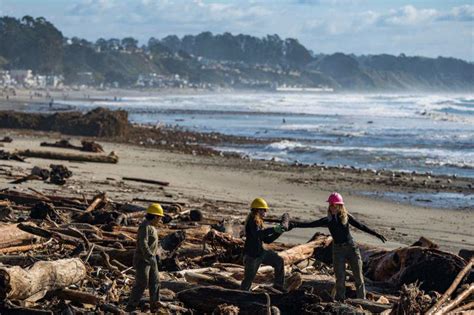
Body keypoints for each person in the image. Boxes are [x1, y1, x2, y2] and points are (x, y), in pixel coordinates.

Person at [290, 192, 387, 301]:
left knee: (358, 277)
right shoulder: (328, 220)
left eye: (335, 205)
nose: (333, 207)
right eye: (331, 205)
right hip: (338, 250)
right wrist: (294, 224)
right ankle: (341, 300)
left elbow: (361, 226)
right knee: (340, 279)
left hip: (351, 248)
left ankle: (362, 300)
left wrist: (376, 234)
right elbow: (310, 224)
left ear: (340, 206)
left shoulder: (346, 217)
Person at [240, 197, 287, 292]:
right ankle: (242, 295)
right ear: (258, 210)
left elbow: (267, 240)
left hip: (261, 253)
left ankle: (278, 286)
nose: (265, 212)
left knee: (278, 261)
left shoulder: (259, 221)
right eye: (264, 209)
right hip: (252, 256)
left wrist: (278, 232)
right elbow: (258, 234)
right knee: (248, 280)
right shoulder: (252, 221)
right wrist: (273, 229)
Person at [126, 203, 164, 312]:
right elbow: (143, 243)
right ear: (155, 216)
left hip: (151, 259)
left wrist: (155, 256)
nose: (160, 220)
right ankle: (131, 306)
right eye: (160, 217)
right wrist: (149, 255)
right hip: (143, 260)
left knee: (156, 282)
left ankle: (155, 306)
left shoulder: (152, 227)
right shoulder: (145, 226)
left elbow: (152, 244)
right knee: (141, 283)